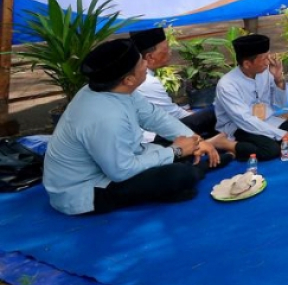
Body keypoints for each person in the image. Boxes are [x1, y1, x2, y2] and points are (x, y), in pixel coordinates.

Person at [43, 39, 229, 216]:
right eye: (141, 63)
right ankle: (195, 171)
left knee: (196, 125)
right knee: (179, 175)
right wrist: (177, 151)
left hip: (129, 156)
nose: (146, 65)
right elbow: (121, 171)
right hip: (87, 190)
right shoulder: (105, 119)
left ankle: (184, 170)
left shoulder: (115, 89)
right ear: (129, 79)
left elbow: (154, 117)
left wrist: (195, 140)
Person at [215, 34, 288, 161]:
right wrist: (283, 135)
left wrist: (278, 80)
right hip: (239, 127)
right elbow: (245, 120)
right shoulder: (227, 85)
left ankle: (270, 142)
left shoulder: (265, 72)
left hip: (267, 120)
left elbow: (281, 105)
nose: (268, 61)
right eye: (264, 59)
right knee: (270, 150)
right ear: (247, 64)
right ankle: (225, 144)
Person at [129, 27, 217, 137]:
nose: (170, 52)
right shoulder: (147, 81)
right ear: (150, 57)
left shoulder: (143, 77)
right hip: (155, 137)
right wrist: (198, 115)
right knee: (213, 114)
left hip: (156, 129)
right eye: (166, 49)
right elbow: (174, 115)